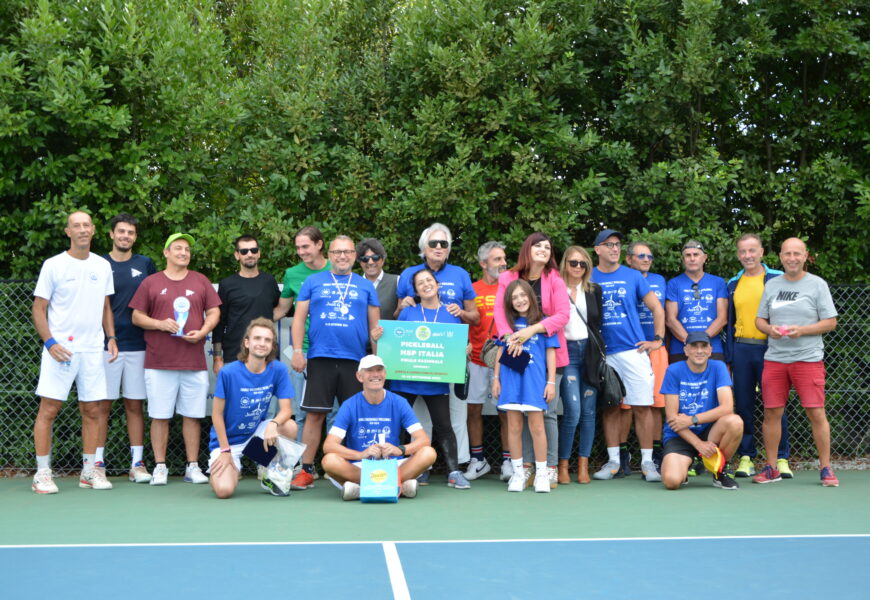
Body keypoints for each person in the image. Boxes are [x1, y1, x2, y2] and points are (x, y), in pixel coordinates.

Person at [31, 211, 118, 494]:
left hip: (93, 350)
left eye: (86, 225)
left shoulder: (103, 266)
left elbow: (105, 306)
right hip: (60, 351)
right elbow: (39, 308)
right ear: (68, 232)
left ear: (93, 230)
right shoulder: (53, 265)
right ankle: (42, 473)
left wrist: (111, 337)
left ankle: (89, 471)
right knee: (49, 409)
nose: (82, 230)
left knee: (93, 410)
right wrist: (50, 343)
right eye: (76, 226)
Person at [289, 236, 381, 490]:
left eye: (348, 252)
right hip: (320, 358)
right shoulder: (313, 281)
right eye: (337, 252)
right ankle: (306, 469)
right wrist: (298, 351)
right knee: (315, 415)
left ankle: (357, 468)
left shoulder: (365, 286)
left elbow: (375, 328)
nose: (342, 256)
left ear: (355, 256)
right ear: (328, 254)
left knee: (357, 417)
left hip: (355, 361)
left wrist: (375, 365)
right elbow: (298, 319)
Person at [130, 233, 221, 486]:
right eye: (178, 248)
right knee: (160, 415)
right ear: (166, 253)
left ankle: (192, 467)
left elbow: (214, 312)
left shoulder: (201, 281)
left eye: (187, 249)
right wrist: (159, 324)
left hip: (193, 362)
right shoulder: (151, 282)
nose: (183, 252)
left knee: (192, 416)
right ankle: (160, 467)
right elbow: (137, 316)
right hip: (159, 362)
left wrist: (203, 331)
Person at [753, 238, 839, 486]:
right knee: (771, 413)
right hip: (775, 360)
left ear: (805, 256)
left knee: (816, 412)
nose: (792, 258)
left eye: (797, 254)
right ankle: (771, 468)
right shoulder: (771, 285)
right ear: (780, 257)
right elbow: (760, 320)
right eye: (787, 254)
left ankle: (826, 468)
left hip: (808, 360)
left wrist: (803, 330)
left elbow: (831, 322)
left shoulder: (817, 285)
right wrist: (769, 329)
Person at [395, 223, 479, 467]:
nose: (439, 247)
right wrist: (402, 307)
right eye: (434, 243)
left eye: (444, 243)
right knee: (415, 421)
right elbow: (398, 317)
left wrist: (461, 312)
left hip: (444, 366)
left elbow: (475, 318)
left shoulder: (460, 274)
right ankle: (415, 467)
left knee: (451, 420)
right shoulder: (409, 273)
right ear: (424, 247)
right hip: (410, 367)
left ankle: (459, 465)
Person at [493, 232, 570, 488]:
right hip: (514, 355)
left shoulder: (555, 279)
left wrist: (531, 331)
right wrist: (511, 338)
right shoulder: (508, 277)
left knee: (544, 414)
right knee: (516, 413)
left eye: (548, 247)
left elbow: (562, 316)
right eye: (538, 245)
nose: (543, 249)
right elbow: (500, 314)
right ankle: (523, 468)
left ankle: (547, 469)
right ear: (527, 249)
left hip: (546, 355)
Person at [590, 229, 665, 482]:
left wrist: (657, 340)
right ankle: (613, 463)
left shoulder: (633, 275)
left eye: (618, 244)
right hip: (602, 354)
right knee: (611, 408)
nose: (614, 248)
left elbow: (657, 307)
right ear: (597, 249)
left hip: (634, 352)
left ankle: (647, 463)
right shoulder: (588, 276)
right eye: (608, 244)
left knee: (642, 407)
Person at [392, 268, 470, 489]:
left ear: (437, 285)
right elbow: (395, 343)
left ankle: (454, 472)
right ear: (415, 290)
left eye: (429, 280)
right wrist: (378, 336)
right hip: (405, 378)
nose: (425, 285)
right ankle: (405, 469)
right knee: (398, 424)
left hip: (436, 380)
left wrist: (463, 350)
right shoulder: (408, 312)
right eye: (420, 283)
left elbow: (456, 347)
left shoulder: (452, 313)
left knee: (444, 425)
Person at [322, 355, 437, 501]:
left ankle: (360, 489)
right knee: (329, 461)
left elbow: (424, 440)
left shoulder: (399, 402)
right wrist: (361, 454)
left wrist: (399, 449)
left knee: (428, 453)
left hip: (393, 465)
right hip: (361, 466)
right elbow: (329, 446)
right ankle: (397, 486)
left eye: (379, 370)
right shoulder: (349, 405)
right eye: (369, 370)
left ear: (385, 374)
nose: (376, 374)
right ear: (359, 376)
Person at [725, 233, 791, 478]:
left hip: (772, 350)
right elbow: (730, 323)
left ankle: (781, 458)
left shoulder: (777, 278)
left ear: (762, 252)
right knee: (743, 405)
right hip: (742, 349)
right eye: (742, 251)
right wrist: (730, 357)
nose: (747, 256)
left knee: (774, 405)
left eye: (752, 250)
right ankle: (746, 456)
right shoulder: (733, 283)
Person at [208, 318, 297, 499]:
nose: (262, 343)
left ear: (272, 346)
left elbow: (287, 410)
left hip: (257, 439)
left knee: (289, 426)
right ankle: (228, 469)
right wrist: (225, 451)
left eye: (267, 340)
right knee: (224, 491)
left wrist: (273, 423)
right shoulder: (228, 372)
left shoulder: (278, 370)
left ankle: (270, 471)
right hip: (227, 443)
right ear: (247, 343)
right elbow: (216, 415)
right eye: (257, 338)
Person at [99, 214, 157, 484]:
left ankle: (137, 464)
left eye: (130, 232)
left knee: (135, 406)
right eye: (121, 231)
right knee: (102, 407)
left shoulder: (145, 264)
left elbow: (157, 300)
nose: (125, 236)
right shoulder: (99, 264)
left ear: (135, 237)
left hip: (138, 346)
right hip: (104, 346)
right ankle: (96, 463)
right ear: (111, 234)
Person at [492, 280, 559, 493]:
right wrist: (495, 378)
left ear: (531, 297)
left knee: (538, 427)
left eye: (523, 295)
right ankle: (518, 473)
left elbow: (551, 352)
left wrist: (551, 382)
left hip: (535, 382)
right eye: (514, 297)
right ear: (509, 303)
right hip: (511, 380)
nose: (520, 300)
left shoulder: (544, 322)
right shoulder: (507, 325)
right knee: (513, 427)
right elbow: (500, 352)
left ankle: (541, 474)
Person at [660, 332, 743, 490]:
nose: (699, 351)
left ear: (710, 350)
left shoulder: (718, 367)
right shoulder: (673, 371)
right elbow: (672, 419)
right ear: (686, 351)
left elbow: (727, 407)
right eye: (694, 346)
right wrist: (699, 444)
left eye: (703, 346)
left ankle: (719, 472)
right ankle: (690, 463)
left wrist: (692, 419)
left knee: (735, 422)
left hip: (710, 433)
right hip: (680, 435)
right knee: (671, 481)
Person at [273, 226, 332, 440]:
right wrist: (251, 326)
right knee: (299, 411)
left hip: (334, 352)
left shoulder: (338, 268)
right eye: (298, 248)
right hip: (303, 353)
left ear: (319, 244)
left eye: (306, 246)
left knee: (335, 412)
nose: (301, 252)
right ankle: (300, 465)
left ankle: (334, 466)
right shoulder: (292, 274)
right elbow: (281, 309)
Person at [464, 241, 510, 482]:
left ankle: (509, 461)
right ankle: (478, 460)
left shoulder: (513, 288)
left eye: (503, 259)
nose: (503, 263)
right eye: (496, 259)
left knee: (506, 411)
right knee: (473, 409)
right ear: (483, 264)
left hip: (506, 361)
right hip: (476, 360)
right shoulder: (471, 289)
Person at [557, 246, 602, 484]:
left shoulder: (594, 290)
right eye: (573, 262)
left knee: (589, 412)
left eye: (582, 264)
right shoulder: (556, 288)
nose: (577, 267)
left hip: (590, 355)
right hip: (567, 355)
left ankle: (583, 464)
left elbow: (597, 324)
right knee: (572, 412)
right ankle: (563, 464)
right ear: (565, 264)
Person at [622, 241, 668, 473]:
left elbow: (663, 311)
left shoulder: (660, 281)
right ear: (629, 259)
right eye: (641, 255)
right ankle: (622, 454)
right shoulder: (621, 279)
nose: (646, 259)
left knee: (655, 404)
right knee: (625, 406)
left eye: (649, 256)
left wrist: (657, 341)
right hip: (629, 350)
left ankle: (656, 452)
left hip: (655, 349)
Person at [212, 234, 280, 374]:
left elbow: (283, 308)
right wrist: (217, 358)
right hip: (235, 355)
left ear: (259, 253)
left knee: (266, 396)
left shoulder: (269, 281)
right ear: (237, 255)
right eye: (244, 251)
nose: (250, 254)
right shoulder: (227, 285)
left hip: (266, 354)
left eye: (253, 250)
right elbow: (219, 323)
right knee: (234, 396)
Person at [665, 240, 729, 363]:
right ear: (683, 260)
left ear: (704, 258)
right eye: (688, 255)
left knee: (716, 382)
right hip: (681, 348)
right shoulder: (674, 284)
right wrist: (690, 342)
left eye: (696, 254)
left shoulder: (718, 282)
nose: (692, 258)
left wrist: (702, 341)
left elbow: (722, 318)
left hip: (712, 347)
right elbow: (670, 319)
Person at [357, 237, 398, 324]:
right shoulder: (353, 285)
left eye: (375, 257)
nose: (370, 262)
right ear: (360, 262)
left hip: (388, 336)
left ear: (383, 260)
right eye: (365, 258)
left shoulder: (397, 281)